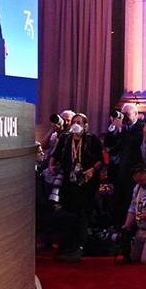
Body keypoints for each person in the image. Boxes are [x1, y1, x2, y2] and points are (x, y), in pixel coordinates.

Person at [49, 112, 104, 262]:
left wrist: (92, 170)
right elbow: (55, 154)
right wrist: (52, 164)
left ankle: (78, 247)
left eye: (79, 122)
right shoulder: (65, 138)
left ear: (85, 125)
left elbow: (101, 160)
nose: (76, 124)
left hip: (87, 182)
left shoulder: (92, 140)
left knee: (82, 215)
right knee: (68, 213)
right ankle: (66, 245)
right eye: (74, 121)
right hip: (69, 182)